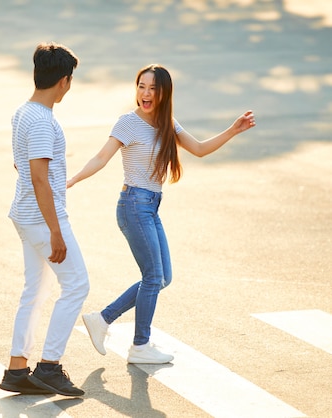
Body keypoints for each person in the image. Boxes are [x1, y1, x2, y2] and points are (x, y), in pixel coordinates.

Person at [68, 64, 256, 364]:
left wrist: (233, 130)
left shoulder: (168, 122)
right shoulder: (127, 122)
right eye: (141, 86)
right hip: (133, 205)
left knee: (162, 277)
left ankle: (102, 319)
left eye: (152, 88)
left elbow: (199, 148)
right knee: (153, 276)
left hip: (151, 206)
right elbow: (102, 156)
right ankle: (139, 345)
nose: (145, 93)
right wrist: (74, 178)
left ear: (163, 93)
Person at [0, 42, 90, 397]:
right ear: (64, 81)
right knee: (77, 285)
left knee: (35, 291)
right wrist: (55, 230)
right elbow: (38, 177)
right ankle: (49, 366)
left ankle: (17, 370)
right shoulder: (41, 121)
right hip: (40, 218)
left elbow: (21, 166)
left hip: (24, 214)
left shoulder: (23, 112)